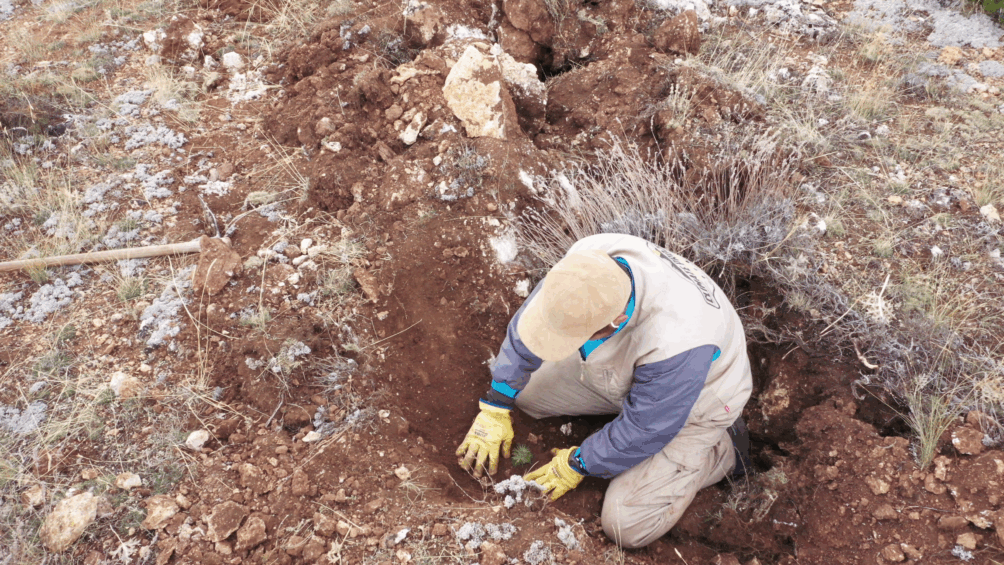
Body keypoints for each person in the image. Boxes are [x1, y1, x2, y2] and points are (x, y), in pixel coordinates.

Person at [455, 233, 753, 548]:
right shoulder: (589, 264)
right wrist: (497, 404)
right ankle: (620, 405)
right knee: (525, 392)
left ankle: (724, 451)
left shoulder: (678, 340)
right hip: (633, 373)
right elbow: (534, 320)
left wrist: (579, 463)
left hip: (696, 405)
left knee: (626, 526)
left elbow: (646, 428)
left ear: (616, 321)